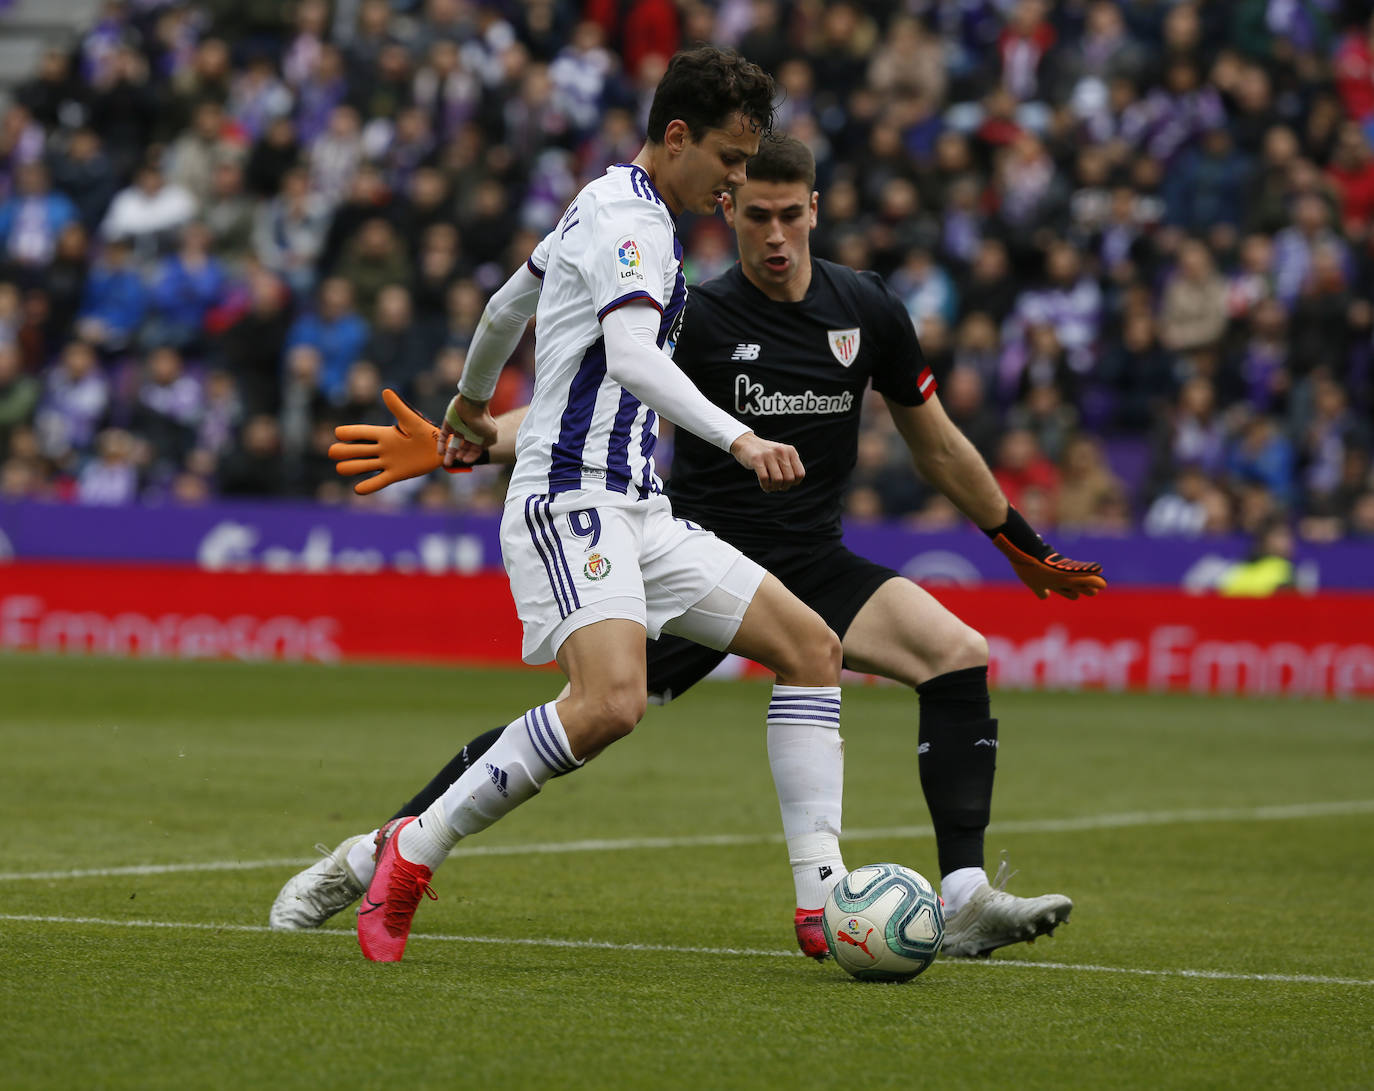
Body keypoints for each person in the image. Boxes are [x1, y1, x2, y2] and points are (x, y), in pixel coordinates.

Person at [273, 135, 1107, 960]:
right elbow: (597, 390)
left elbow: (937, 444)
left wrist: (1014, 538)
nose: (774, 236)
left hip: (812, 560)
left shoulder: (869, 309)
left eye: (789, 216)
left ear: (815, 210)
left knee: (956, 652)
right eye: (756, 218)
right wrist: (471, 440)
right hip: (697, 548)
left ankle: (961, 898)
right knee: (594, 713)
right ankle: (370, 851)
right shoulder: (698, 314)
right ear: (729, 213)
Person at [329, 47, 853, 964]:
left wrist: (466, 406)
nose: (736, 183)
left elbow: (502, 306)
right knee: (610, 701)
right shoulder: (631, 222)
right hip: (571, 498)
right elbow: (634, 358)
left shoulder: (607, 201)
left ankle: (822, 903)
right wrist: (739, 437)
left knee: (811, 648)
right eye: (729, 162)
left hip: (637, 507)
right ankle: (412, 850)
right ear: (678, 136)